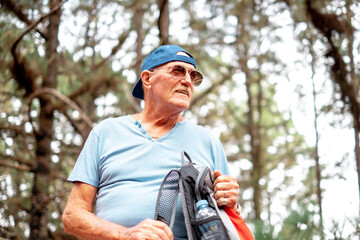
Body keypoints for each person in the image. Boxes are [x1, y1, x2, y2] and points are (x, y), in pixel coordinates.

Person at [62, 45, 240, 240]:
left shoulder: (208, 141)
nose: (187, 81)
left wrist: (231, 203)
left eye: (193, 76)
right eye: (177, 71)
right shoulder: (106, 132)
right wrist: (125, 234)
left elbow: (229, 219)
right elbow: (72, 216)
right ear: (147, 79)